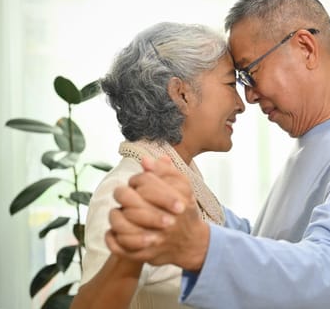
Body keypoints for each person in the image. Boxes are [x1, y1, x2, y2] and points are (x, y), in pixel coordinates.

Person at [106, 0, 330, 309]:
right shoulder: (317, 141)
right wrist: (200, 209)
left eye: (250, 72)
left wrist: (203, 245)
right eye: (241, 80)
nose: (249, 96)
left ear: (305, 47)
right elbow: (270, 244)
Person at [69, 21, 245, 309]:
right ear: (181, 93)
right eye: (229, 84)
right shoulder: (127, 189)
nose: (241, 104)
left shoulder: (183, 178)